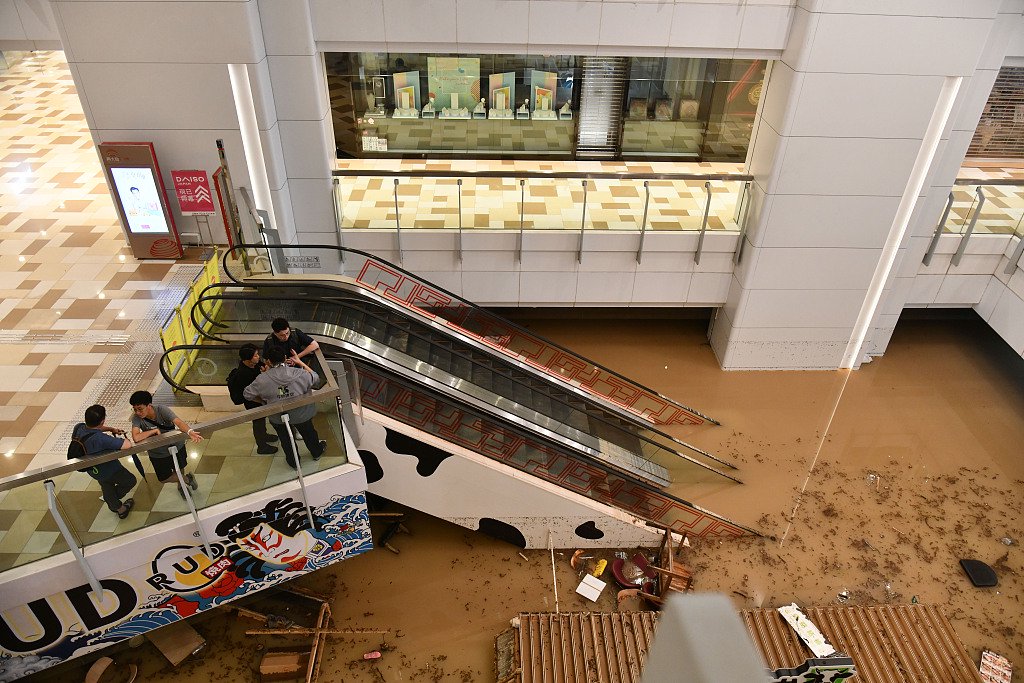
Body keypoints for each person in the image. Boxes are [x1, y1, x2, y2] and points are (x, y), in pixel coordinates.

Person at [243, 346, 326, 469]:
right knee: (309, 434)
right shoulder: (300, 373)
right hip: (302, 414)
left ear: (268, 361)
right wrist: (299, 362)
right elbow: (316, 378)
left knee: (286, 440)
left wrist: (263, 402)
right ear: (285, 358)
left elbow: (247, 394)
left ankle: (294, 462)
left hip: (278, 416)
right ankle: (316, 452)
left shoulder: (262, 379)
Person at [129, 390, 203, 498]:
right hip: (157, 453)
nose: (137, 412)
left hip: (176, 446)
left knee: (179, 467)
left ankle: (181, 486)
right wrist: (153, 431)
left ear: (149, 405)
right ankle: (187, 479)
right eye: (135, 409)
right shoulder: (137, 418)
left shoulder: (161, 410)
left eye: (140, 409)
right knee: (163, 478)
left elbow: (178, 422)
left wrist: (189, 432)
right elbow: (136, 437)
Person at [72, 405, 137, 519]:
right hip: (110, 469)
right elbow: (127, 445)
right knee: (130, 480)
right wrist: (124, 439)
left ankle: (118, 508)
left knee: (106, 485)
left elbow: (94, 429)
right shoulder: (101, 439)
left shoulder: (79, 427)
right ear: (102, 420)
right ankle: (112, 500)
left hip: (92, 469)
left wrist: (111, 429)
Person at [226, 344, 279, 455]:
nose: (258, 357)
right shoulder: (244, 374)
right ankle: (262, 446)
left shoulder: (254, 364)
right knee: (258, 422)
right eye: (255, 356)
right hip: (253, 402)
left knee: (261, 419)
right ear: (248, 360)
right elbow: (249, 395)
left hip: (259, 398)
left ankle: (264, 436)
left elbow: (264, 368)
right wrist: (263, 402)